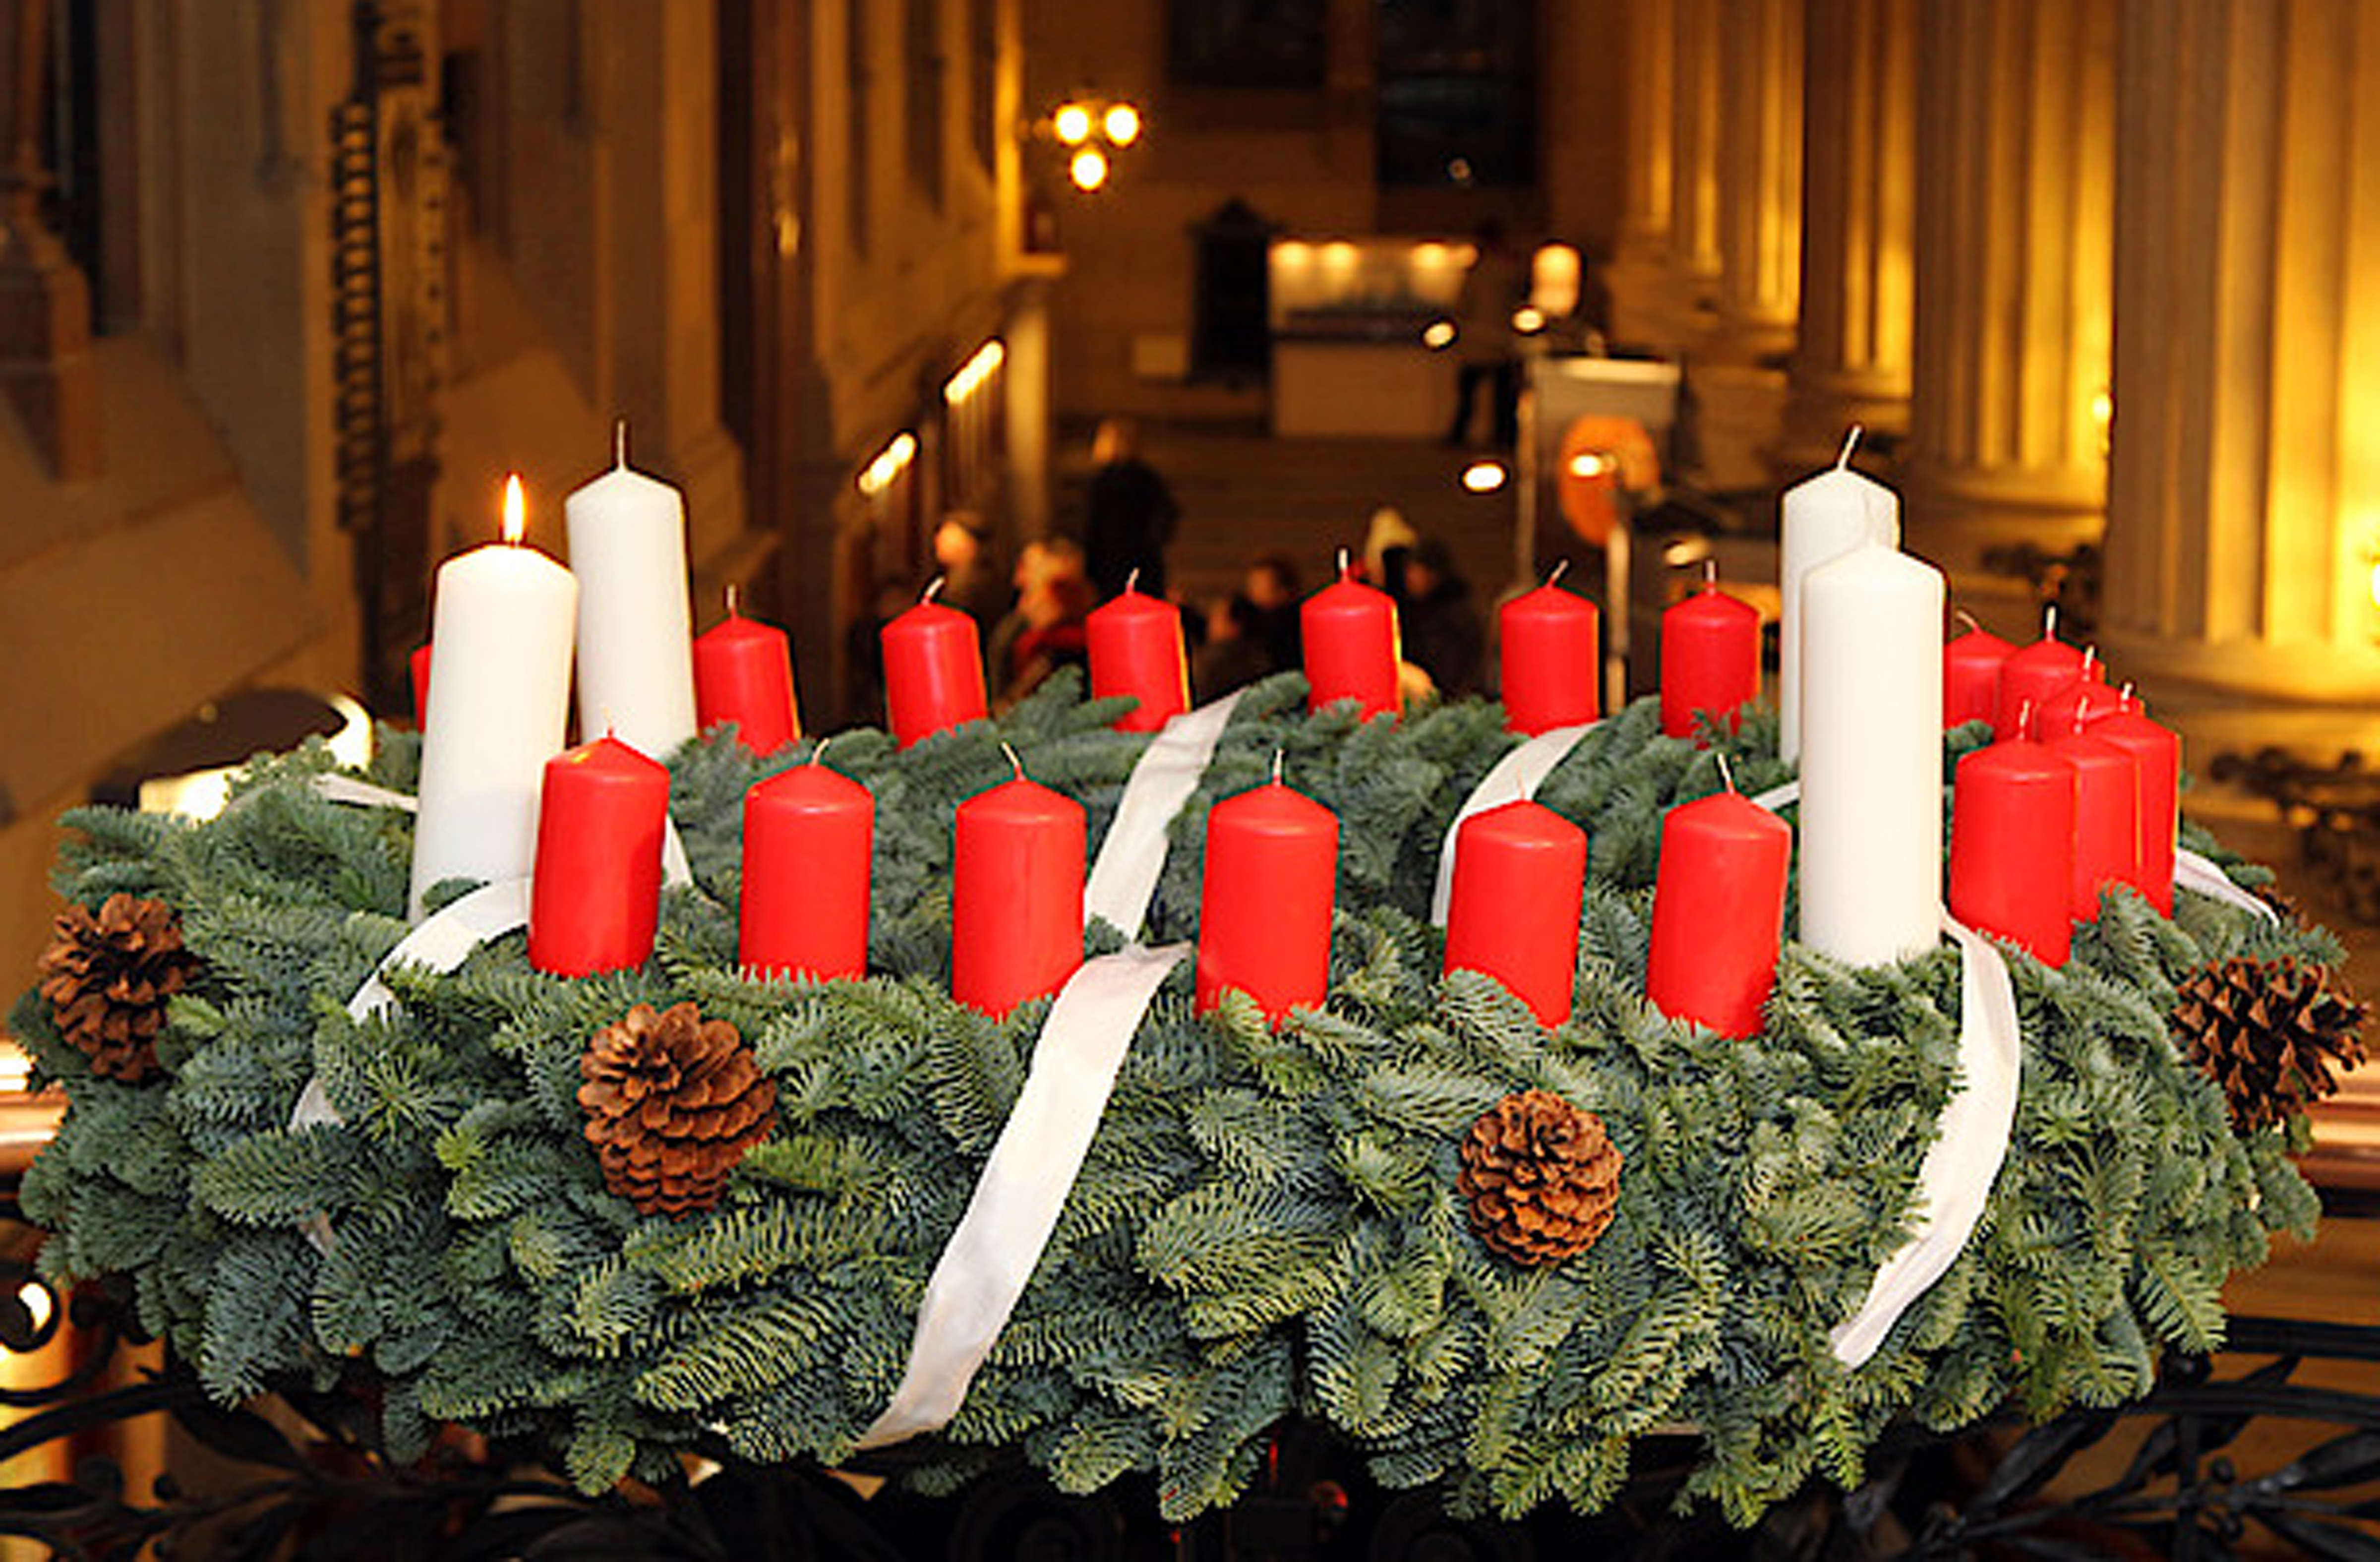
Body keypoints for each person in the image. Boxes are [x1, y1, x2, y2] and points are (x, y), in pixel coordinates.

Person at [1445, 220, 1527, 448]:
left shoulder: (1479, 270)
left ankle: (1463, 434)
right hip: (1499, 339)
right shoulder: (1509, 267)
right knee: (1499, 394)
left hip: (1481, 339)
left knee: (1472, 392)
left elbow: (1464, 303)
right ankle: (1503, 435)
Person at [1083, 418, 1181, 601]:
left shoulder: (1102, 483)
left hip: (1109, 563)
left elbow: (1093, 527)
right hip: (1142, 562)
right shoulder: (1149, 480)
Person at [1397, 537, 1484, 699]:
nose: (1409, 578)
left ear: (1434, 575)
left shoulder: (1456, 614)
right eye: (1408, 571)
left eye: (1416, 572)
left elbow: (1462, 670)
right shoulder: (1411, 610)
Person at [932, 511, 1006, 639]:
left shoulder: (978, 585)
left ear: (970, 543)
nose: (939, 540)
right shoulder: (946, 581)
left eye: (949, 536)